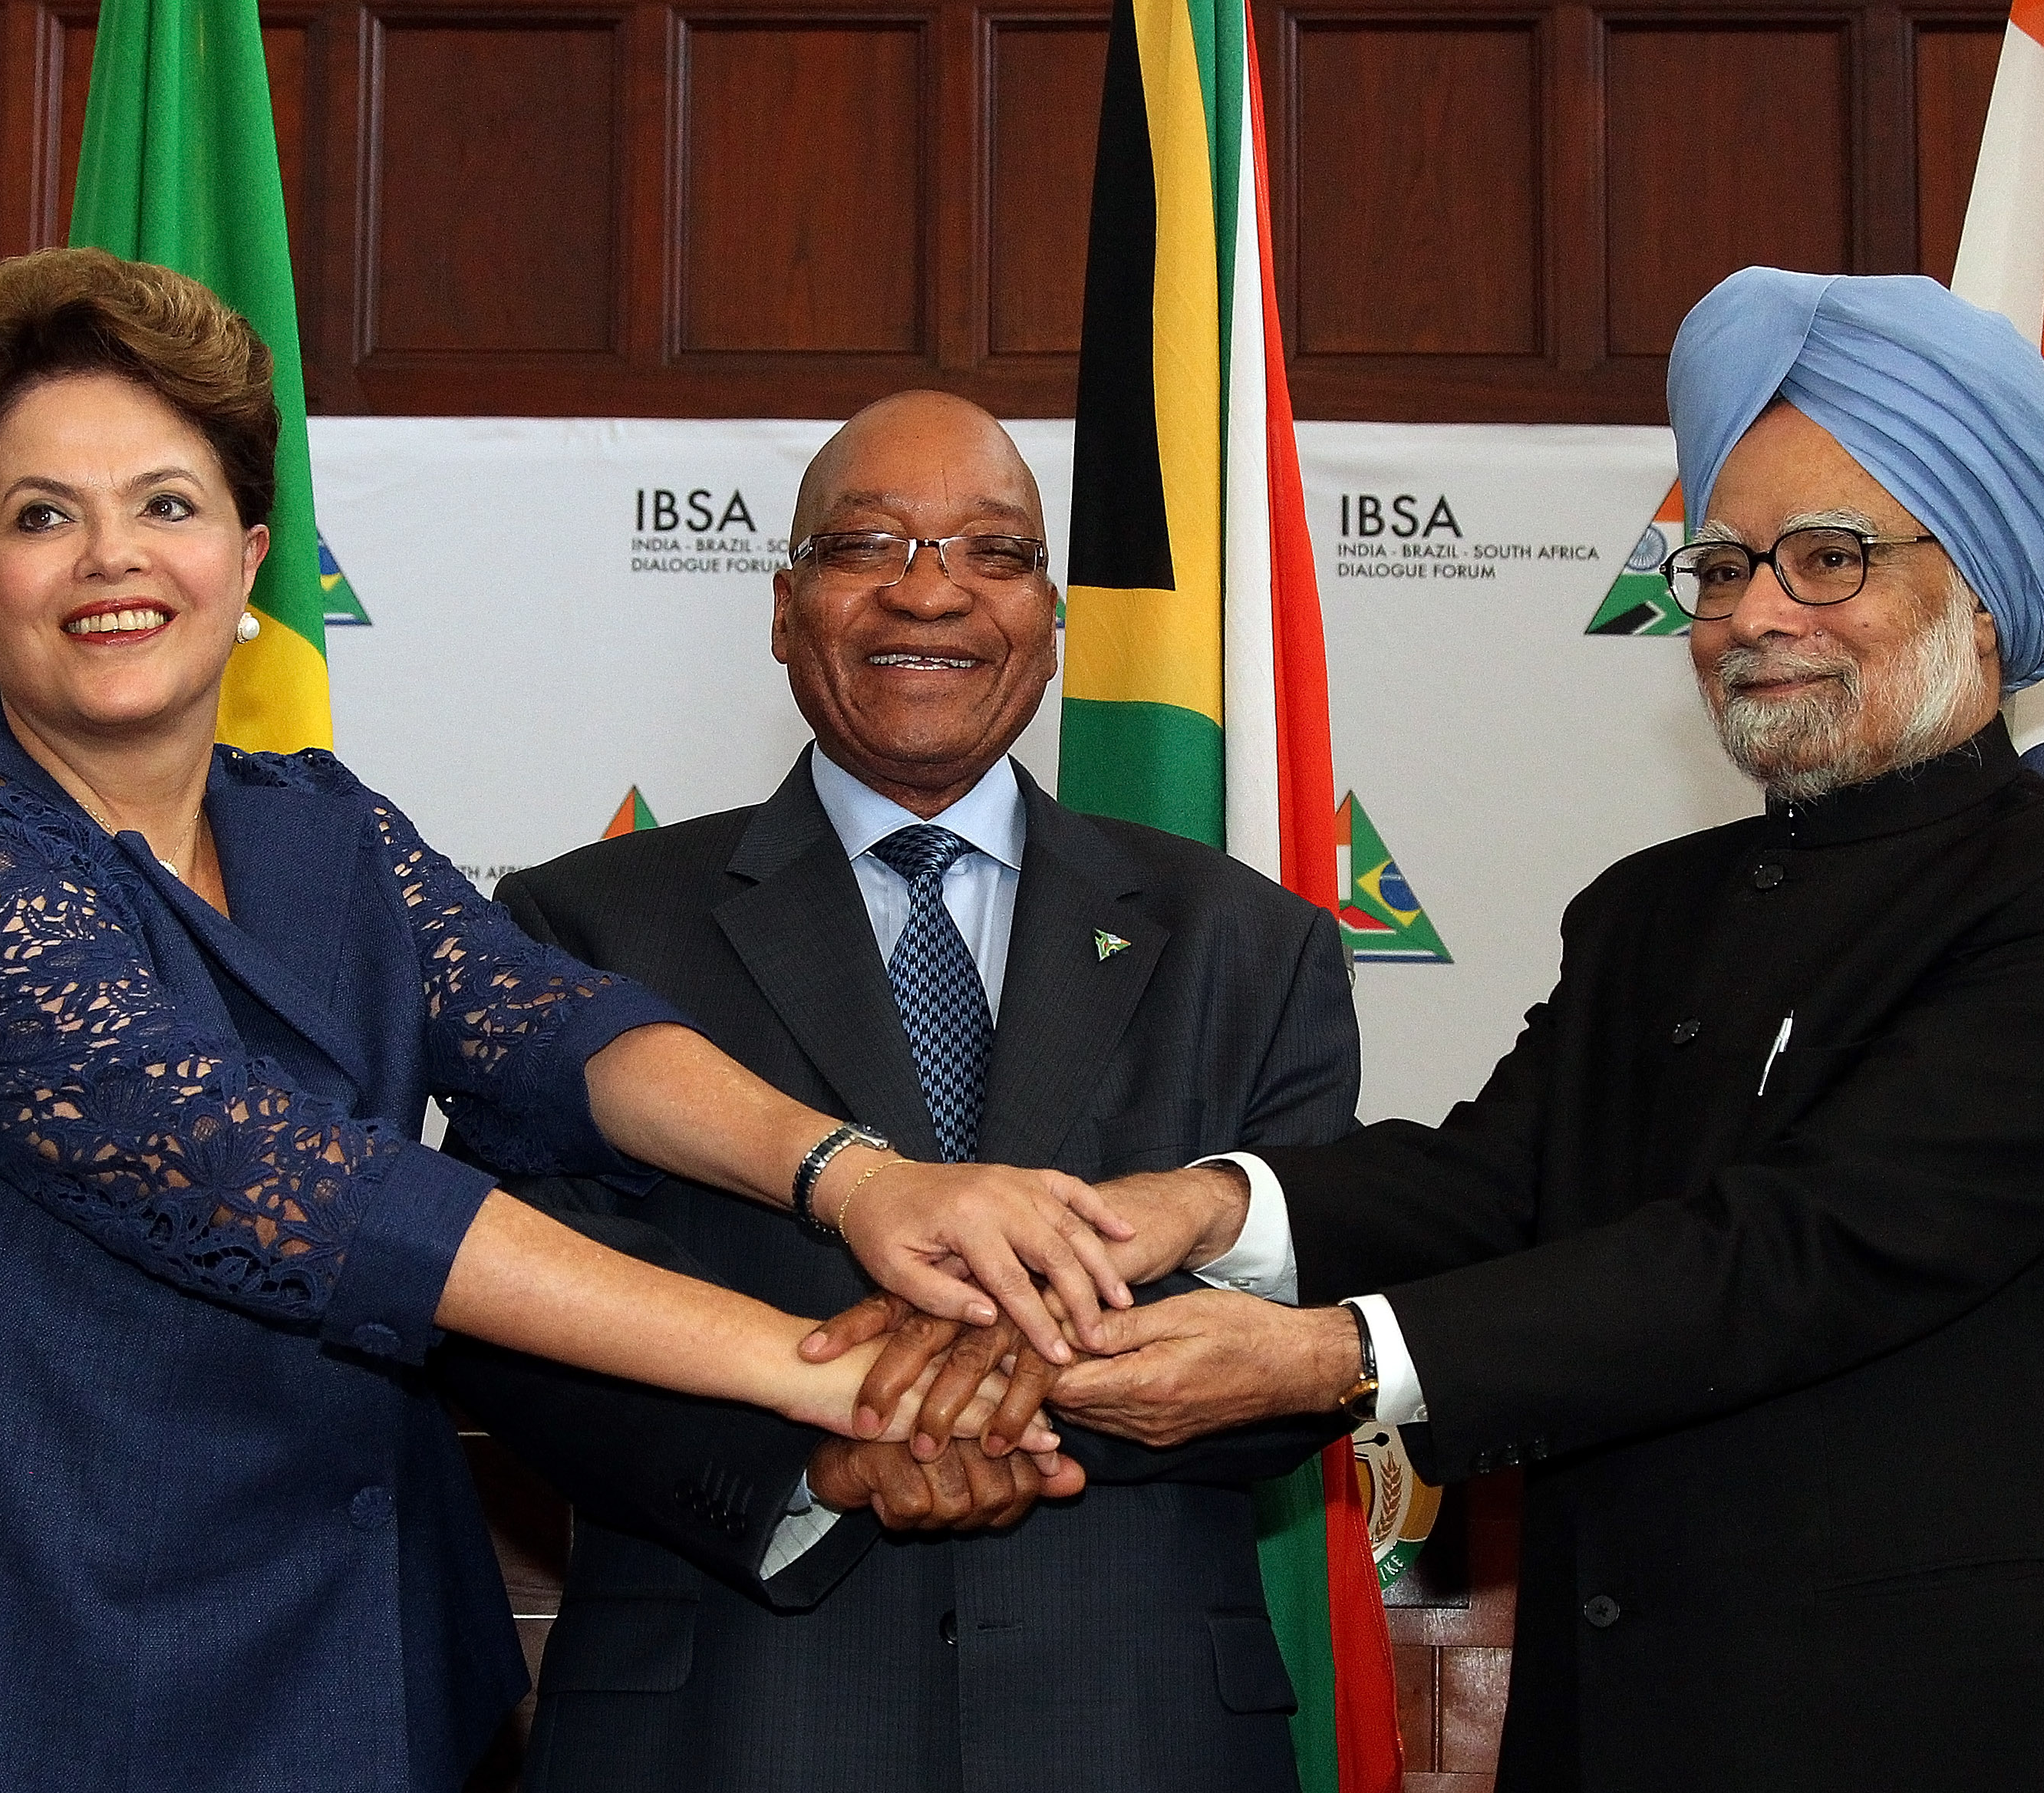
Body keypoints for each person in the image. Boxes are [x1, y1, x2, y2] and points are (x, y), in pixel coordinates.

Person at [0, 252, 1132, 1793]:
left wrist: (859, 1175)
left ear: (244, 560)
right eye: (42, 515)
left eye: (164, 505)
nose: (112, 560)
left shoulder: (324, 829)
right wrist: (813, 1367)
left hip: (312, 1666)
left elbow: (560, 1032)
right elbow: (306, 1191)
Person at [1046, 269, 2044, 1791]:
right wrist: (1208, 1204)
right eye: (1724, 563)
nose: (1753, 614)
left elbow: (1805, 1248)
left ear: (1988, 587)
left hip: (1931, 1737)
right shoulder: (1648, 907)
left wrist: (1335, 1358)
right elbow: (1497, 1182)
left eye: (1827, 559)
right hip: (1612, 1730)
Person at [437, 390, 1360, 1793]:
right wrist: (820, 1464)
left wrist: (997, 1398)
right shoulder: (587, 927)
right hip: (726, 1725)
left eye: (993, 553)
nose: (930, 591)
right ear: (783, 604)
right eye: (868, 541)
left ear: (1052, 618)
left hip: (1133, 1725)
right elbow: (512, 1313)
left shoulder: (1251, 939)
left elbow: (1305, 1326)